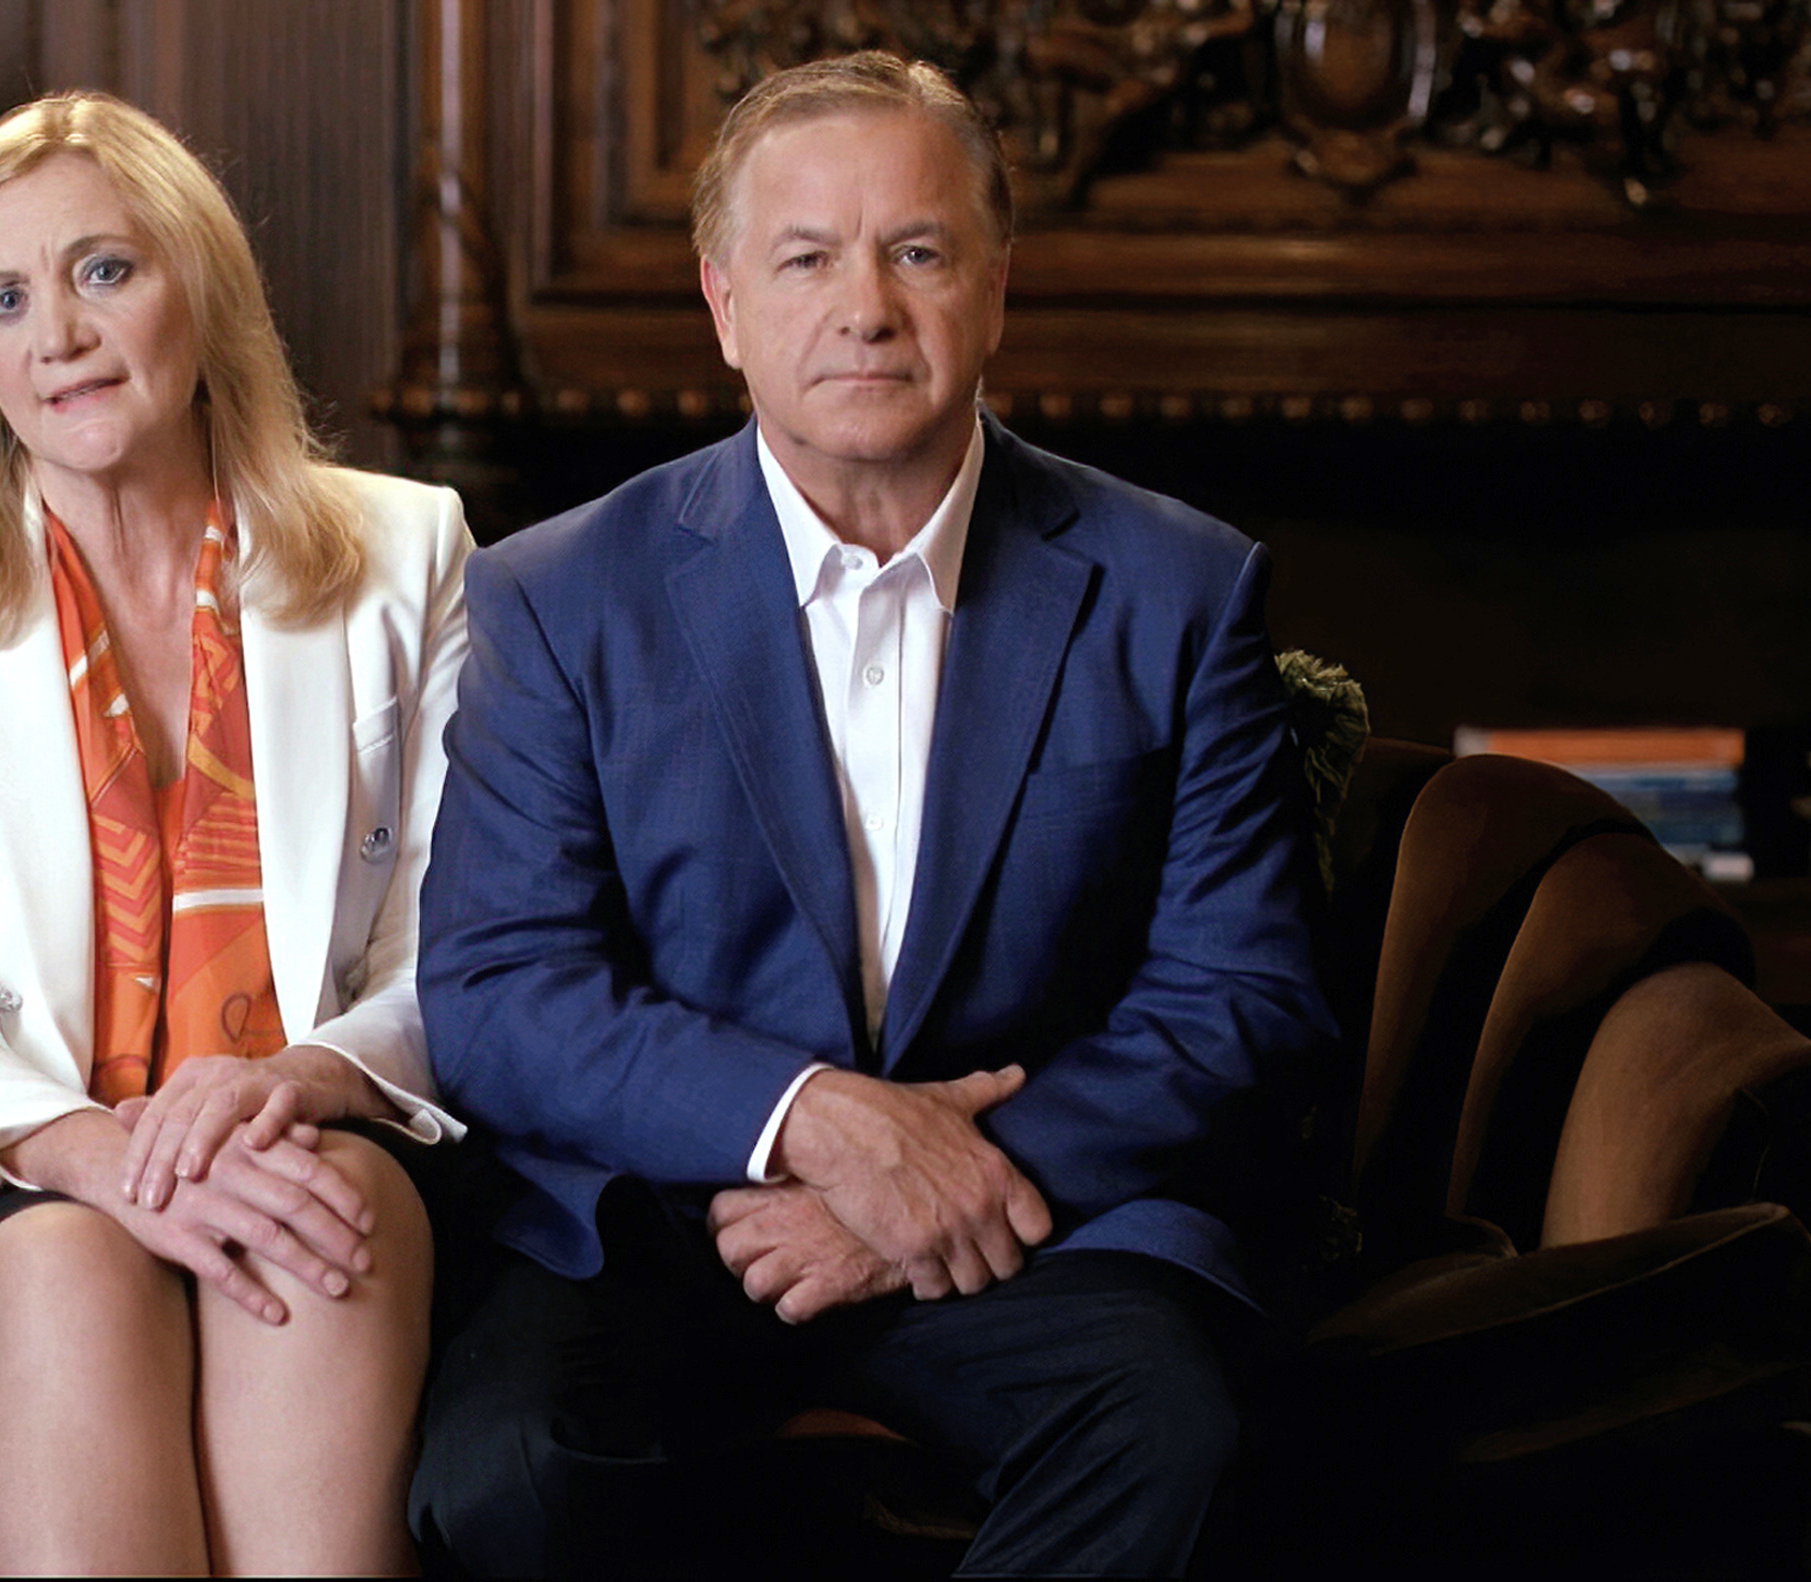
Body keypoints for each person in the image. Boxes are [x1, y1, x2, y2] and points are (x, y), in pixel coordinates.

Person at [409, 51, 1334, 1577]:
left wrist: (919, 1193)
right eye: (806, 257)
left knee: (1173, 1427)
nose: (867, 306)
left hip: (1029, 1213)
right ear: (722, 303)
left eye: (916, 250)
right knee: (506, 1467)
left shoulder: (1178, 588)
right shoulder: (558, 593)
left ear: (995, 284)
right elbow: (505, 995)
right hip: (675, 1214)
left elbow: (1240, 994)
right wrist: (815, 1127)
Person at [0, 91, 470, 1576]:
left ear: (198, 286)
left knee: (312, 1211)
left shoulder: (408, 551)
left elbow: (460, 952)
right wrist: (103, 1155)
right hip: (4, 1172)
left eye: (104, 271)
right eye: (3, 300)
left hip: (304, 1131)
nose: (58, 336)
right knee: (77, 1269)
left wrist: (294, 1080)